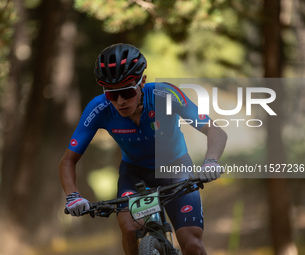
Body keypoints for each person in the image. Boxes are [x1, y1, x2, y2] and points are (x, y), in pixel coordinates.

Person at [59, 43, 227, 255]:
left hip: (175, 169)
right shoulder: (98, 108)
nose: (120, 101)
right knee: (130, 230)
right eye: (112, 95)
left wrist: (210, 161)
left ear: (142, 82)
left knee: (191, 243)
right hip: (134, 173)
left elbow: (216, 131)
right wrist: (73, 196)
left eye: (127, 92)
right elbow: (67, 161)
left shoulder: (164, 94)